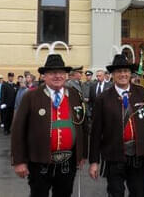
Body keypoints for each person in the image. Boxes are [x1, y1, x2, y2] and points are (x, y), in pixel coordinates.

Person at [11, 53, 87, 197]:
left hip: (67, 162)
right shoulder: (31, 96)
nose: (57, 76)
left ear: (66, 75)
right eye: (52, 73)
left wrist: (82, 154)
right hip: (39, 162)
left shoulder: (75, 95)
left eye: (61, 72)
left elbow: (83, 126)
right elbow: (18, 130)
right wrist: (19, 161)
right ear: (44, 76)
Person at [89, 54, 144, 197]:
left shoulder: (143, 93)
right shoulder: (103, 99)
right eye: (119, 71)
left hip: (138, 157)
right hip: (114, 158)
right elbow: (96, 133)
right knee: (116, 194)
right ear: (113, 75)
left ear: (130, 73)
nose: (123, 74)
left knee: (138, 193)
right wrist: (94, 162)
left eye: (126, 71)